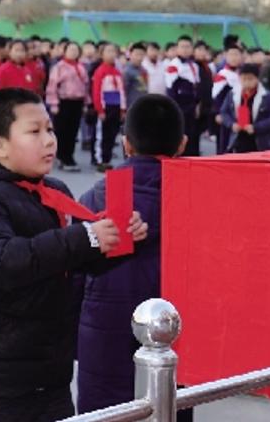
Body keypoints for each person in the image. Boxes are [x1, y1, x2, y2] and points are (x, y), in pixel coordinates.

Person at [0, 88, 147, 422]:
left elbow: (69, 261)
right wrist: (84, 237)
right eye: (34, 132)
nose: (49, 140)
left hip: (49, 372)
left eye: (49, 129)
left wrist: (114, 242)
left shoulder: (53, 191)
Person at [76, 94, 191, 420]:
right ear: (182, 145)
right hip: (178, 336)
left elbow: (72, 278)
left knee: (109, 413)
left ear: (126, 144)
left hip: (102, 339)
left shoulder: (93, 198)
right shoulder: (195, 199)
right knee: (171, 407)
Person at [219, 63, 270, 153]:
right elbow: (224, 112)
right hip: (239, 138)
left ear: (257, 79)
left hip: (262, 141)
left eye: (250, 79)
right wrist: (231, 124)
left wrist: (256, 127)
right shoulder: (232, 94)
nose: (246, 82)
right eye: (243, 79)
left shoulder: (267, 96)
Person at [46, 41, 89, 172]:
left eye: (76, 50)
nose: (73, 52)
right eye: (70, 50)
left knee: (73, 131)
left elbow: (86, 86)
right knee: (61, 131)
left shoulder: (81, 67)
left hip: (77, 102)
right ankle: (62, 157)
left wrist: (86, 103)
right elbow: (52, 86)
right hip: (63, 102)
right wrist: (54, 103)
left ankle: (69, 156)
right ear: (64, 51)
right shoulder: (59, 67)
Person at [165, 35, 202, 156]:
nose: (185, 49)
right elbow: (170, 89)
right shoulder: (173, 65)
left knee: (192, 134)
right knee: (180, 135)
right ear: (177, 49)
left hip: (191, 105)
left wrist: (197, 104)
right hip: (179, 104)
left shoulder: (194, 66)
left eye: (188, 46)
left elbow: (196, 87)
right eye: (182, 47)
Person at [92, 42, 126, 171]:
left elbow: (121, 92)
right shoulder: (100, 71)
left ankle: (108, 158)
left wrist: (123, 108)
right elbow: (96, 92)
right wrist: (100, 109)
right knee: (102, 134)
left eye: (113, 51)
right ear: (102, 54)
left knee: (112, 134)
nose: (112, 54)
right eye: (108, 51)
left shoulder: (117, 72)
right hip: (106, 107)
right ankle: (101, 160)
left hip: (116, 107)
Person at [211, 44, 242, 154]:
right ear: (226, 56)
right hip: (226, 114)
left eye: (237, 54)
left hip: (240, 115)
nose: (234, 57)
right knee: (224, 145)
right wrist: (218, 113)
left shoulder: (241, 74)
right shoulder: (223, 75)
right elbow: (216, 97)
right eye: (231, 54)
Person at [123, 42, 148, 110]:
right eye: (137, 54)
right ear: (130, 54)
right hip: (131, 107)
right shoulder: (127, 71)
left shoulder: (144, 70)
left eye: (142, 55)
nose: (139, 58)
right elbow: (124, 91)